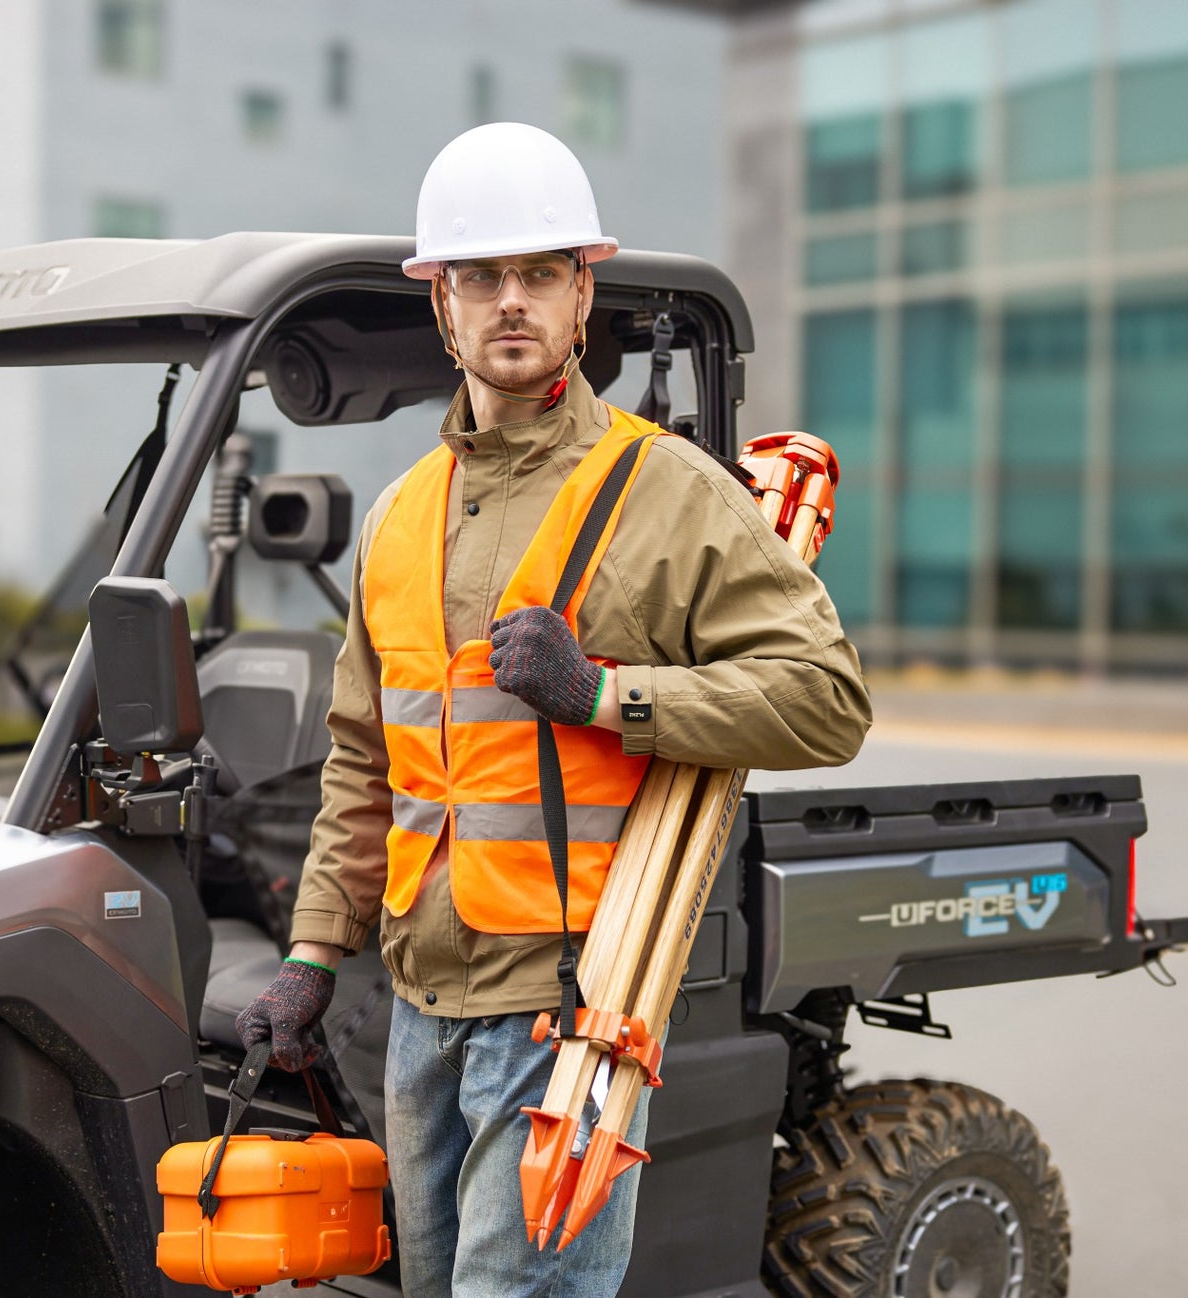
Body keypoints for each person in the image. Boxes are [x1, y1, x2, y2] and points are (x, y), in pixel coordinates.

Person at [236, 122, 871, 1297]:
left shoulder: (665, 490)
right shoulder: (398, 514)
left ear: (585, 293)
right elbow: (361, 764)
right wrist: (313, 955)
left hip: (568, 1011)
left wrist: (602, 693)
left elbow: (825, 702)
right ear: (442, 303)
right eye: (481, 276)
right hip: (416, 1007)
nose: (509, 302)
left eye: (539, 274)